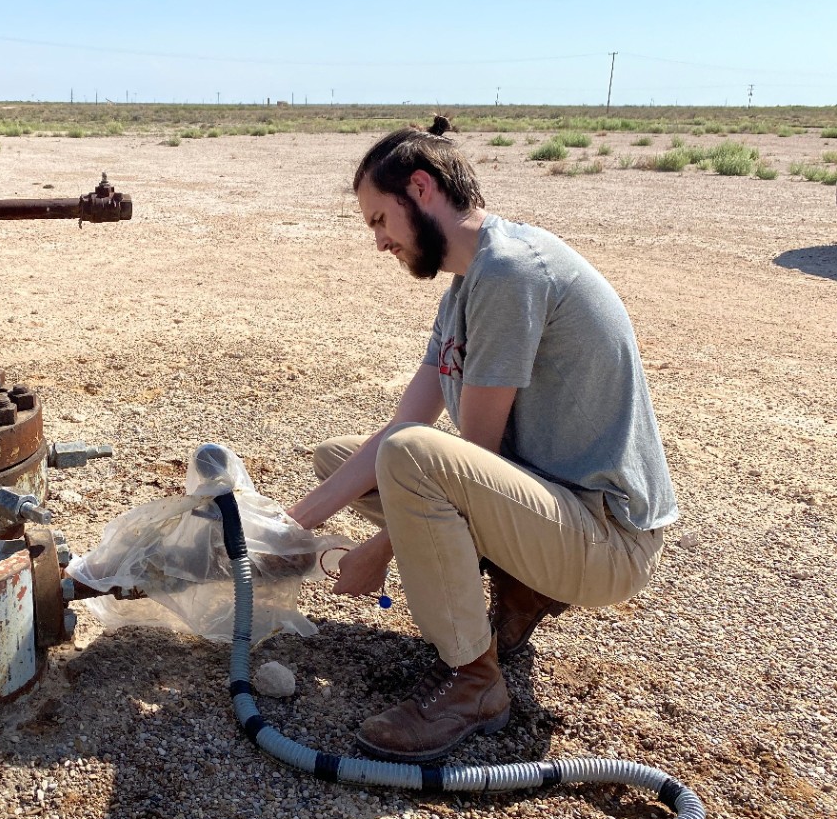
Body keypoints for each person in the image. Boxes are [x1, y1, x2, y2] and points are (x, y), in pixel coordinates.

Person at [287, 122, 677, 762]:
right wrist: (290, 525)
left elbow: (471, 456)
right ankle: (523, 586)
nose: (379, 242)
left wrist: (376, 553)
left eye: (381, 219)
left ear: (422, 188)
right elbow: (402, 423)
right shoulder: (467, 283)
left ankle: (474, 682)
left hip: (608, 540)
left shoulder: (511, 272)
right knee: (344, 454)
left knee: (411, 460)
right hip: (556, 510)